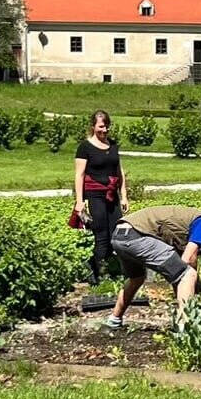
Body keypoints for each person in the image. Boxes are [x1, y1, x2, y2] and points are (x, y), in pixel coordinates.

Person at [105, 204, 201, 328]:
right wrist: (194, 281)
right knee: (188, 275)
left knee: (137, 278)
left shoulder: (191, 223)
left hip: (120, 236)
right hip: (136, 237)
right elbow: (187, 258)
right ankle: (186, 328)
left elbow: (179, 269)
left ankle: (114, 319)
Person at [71, 110, 124, 283]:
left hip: (112, 196)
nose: (105, 130)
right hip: (95, 196)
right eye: (101, 126)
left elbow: (119, 170)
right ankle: (99, 273)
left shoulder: (113, 145)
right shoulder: (85, 147)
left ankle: (106, 266)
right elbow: (79, 175)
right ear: (93, 126)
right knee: (101, 235)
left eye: (107, 126)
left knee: (116, 234)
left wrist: (124, 195)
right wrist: (79, 202)